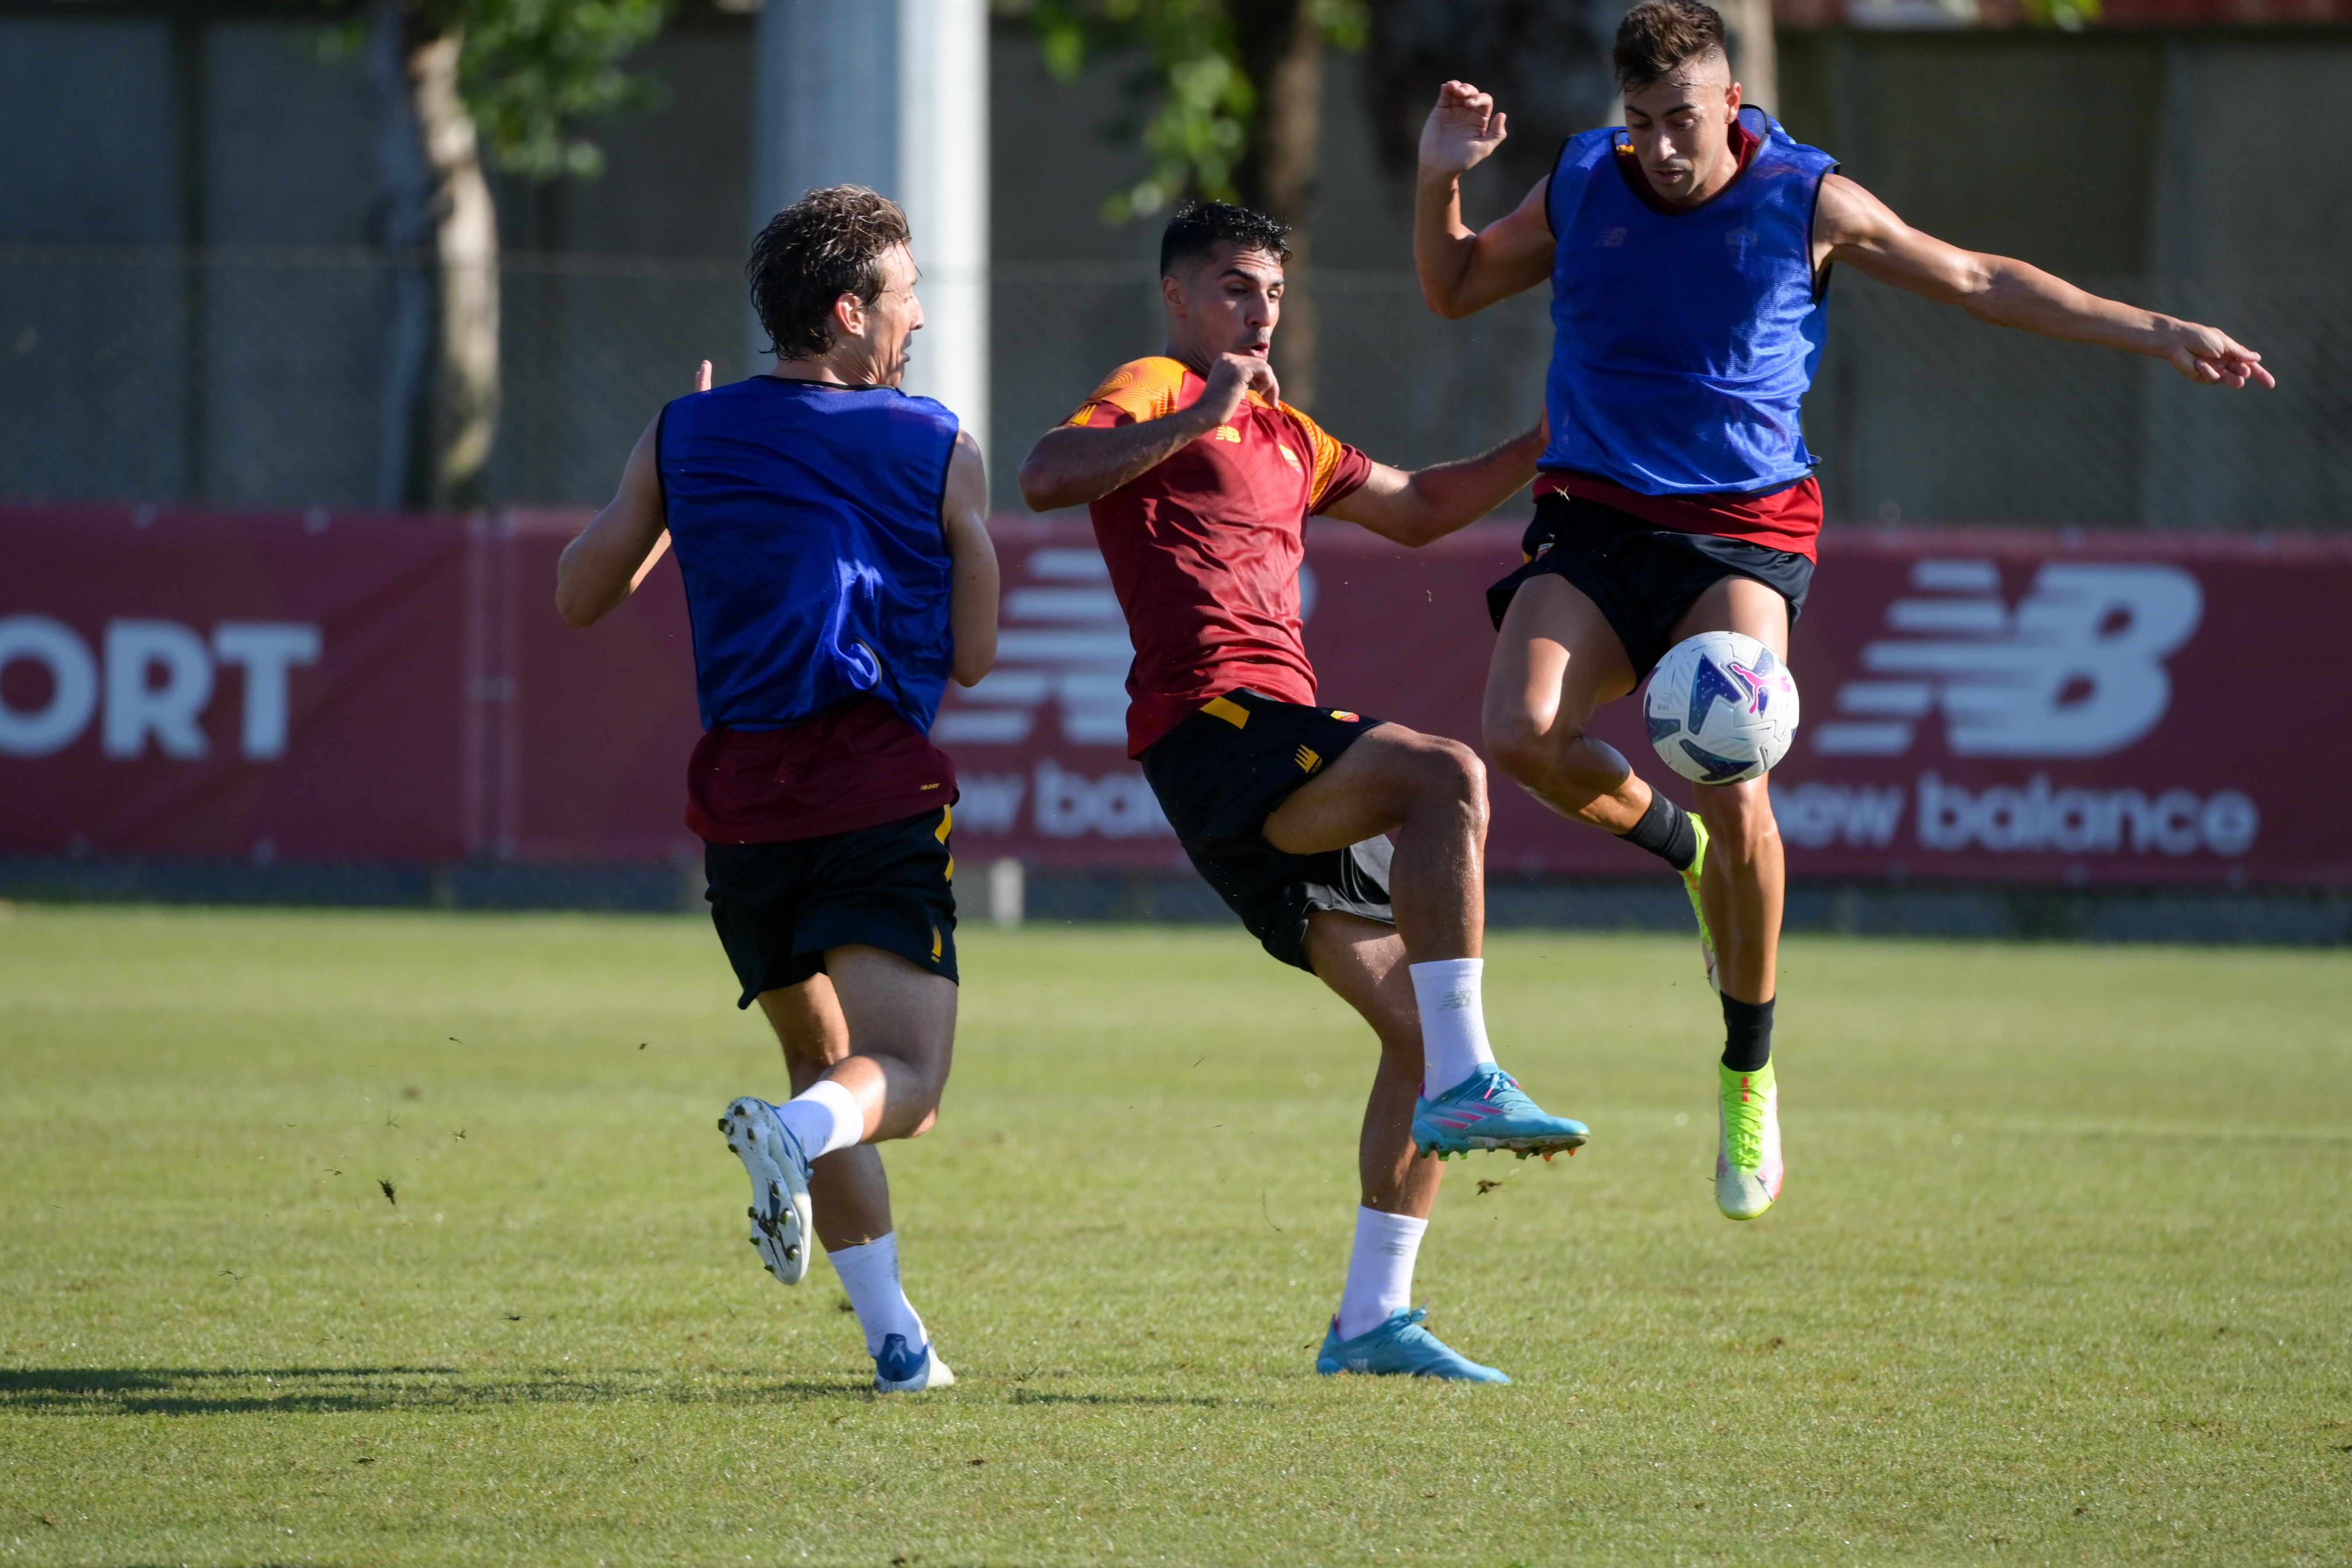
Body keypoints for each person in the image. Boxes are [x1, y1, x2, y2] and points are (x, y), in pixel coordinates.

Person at [1411, 0, 2271, 1225]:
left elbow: (1976, 278)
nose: (1661, 146)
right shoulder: (1580, 183)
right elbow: (1449, 290)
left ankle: (1747, 1068)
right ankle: (1688, 857)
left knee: (1732, 757)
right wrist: (1437, 182)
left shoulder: (1803, 199)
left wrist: (2159, 331)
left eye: (1683, 121)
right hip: (1595, 509)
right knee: (1518, 731)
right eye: (1641, 121)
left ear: (1730, 107)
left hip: (1741, 528)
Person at [1019, 201, 1584, 1385]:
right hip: (1213, 729)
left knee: (1415, 1030)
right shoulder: (1153, 384)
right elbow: (1043, 473)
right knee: (1447, 774)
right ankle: (1475, 1081)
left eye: (1269, 291)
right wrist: (1195, 413)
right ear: (1176, 297)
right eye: (1231, 288)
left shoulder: (1289, 433)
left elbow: (1422, 508)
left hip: (1263, 751)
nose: (1255, 310)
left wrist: (1548, 439)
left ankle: (1373, 1316)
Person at [554, 185, 999, 1393]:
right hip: (869, 783)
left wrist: (677, 481)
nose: (919, 319)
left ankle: (899, 1346)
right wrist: (975, 533)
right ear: (850, 312)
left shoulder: (682, 431)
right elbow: (972, 653)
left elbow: (579, 593)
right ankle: (791, 1140)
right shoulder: (934, 439)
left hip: (740, 805)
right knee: (901, 1088)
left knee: (832, 1068)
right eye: (907, 297)